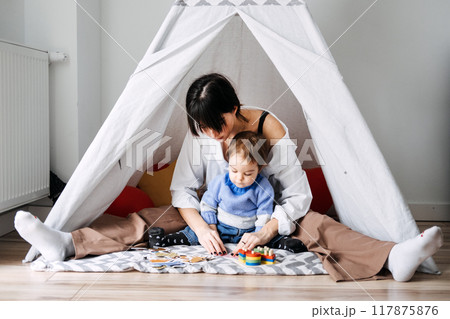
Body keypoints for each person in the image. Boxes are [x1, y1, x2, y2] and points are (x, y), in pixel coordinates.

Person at [14, 73, 443, 282]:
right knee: (150, 215)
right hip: (214, 219)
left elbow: (297, 196)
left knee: (321, 225)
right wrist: (200, 228)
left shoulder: (270, 131)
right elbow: (183, 189)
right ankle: (68, 243)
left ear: (235, 109)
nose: (211, 135)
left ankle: (392, 257)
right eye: (202, 128)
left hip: (266, 220)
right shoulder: (202, 134)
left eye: (217, 126)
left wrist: (269, 228)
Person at [148, 131, 307, 254]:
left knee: (271, 237)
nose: (239, 178)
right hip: (221, 226)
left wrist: (257, 236)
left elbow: (264, 214)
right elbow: (208, 204)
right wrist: (210, 228)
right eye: (234, 170)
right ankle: (164, 240)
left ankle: (285, 244)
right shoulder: (220, 182)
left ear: (261, 168)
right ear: (228, 161)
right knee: (192, 233)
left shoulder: (263, 187)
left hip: (249, 230)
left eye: (248, 173)